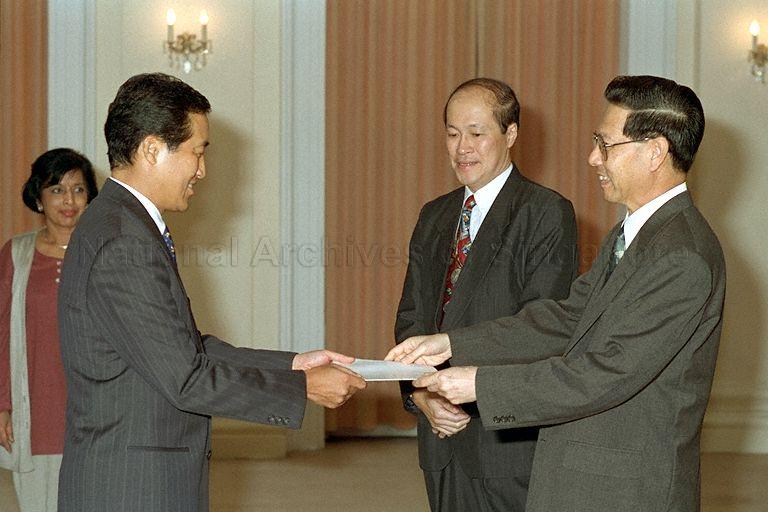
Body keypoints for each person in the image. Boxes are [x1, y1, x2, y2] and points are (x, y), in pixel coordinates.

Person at [388, 75, 725, 512]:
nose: (592, 158)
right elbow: (564, 319)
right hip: (587, 475)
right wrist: (451, 343)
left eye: (605, 145)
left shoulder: (682, 256)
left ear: (655, 152)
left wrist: (477, 383)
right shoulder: (634, 235)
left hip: (627, 488)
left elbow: (602, 373)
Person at [56, 73, 366, 512]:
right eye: (197, 152)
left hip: (140, 478)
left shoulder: (120, 223)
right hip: (132, 488)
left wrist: (292, 364)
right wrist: (301, 389)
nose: (202, 170)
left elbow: (183, 351)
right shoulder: (123, 240)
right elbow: (186, 378)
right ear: (151, 149)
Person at [394, 78, 577, 511]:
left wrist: (464, 384)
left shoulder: (546, 213)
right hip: (439, 435)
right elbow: (411, 319)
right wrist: (422, 395)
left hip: (505, 440)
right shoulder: (434, 216)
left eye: (477, 133)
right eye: (452, 134)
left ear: (510, 134)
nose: (462, 148)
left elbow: (544, 326)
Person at [0, 148, 98, 511]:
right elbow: (2, 333)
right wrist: (2, 405)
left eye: (78, 189)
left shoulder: (103, 253)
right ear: (38, 198)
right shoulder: (17, 254)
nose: (68, 200)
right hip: (36, 407)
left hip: (95, 408)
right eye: (56, 189)